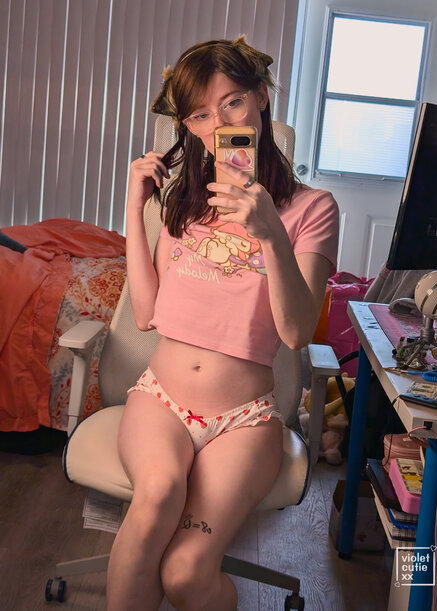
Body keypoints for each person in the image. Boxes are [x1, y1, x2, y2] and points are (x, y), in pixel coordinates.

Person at [106, 36, 339, 611]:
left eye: (232, 102)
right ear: (187, 126)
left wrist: (271, 234)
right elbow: (145, 313)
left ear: (261, 97)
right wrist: (135, 208)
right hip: (161, 401)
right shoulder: (185, 203)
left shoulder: (313, 209)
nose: (219, 126)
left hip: (244, 420)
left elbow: (295, 331)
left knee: (187, 574)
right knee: (157, 495)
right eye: (200, 115)